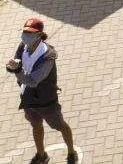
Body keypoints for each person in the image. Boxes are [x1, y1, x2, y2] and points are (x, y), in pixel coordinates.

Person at [6, 18, 78, 164]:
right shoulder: (23, 46)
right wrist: (11, 66)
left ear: (39, 35)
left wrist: (17, 71)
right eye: (25, 31)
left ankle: (71, 151)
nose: (26, 35)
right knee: (36, 125)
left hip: (46, 101)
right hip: (28, 99)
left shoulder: (48, 56)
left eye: (30, 33)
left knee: (60, 125)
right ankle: (41, 155)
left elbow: (33, 80)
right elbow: (16, 62)